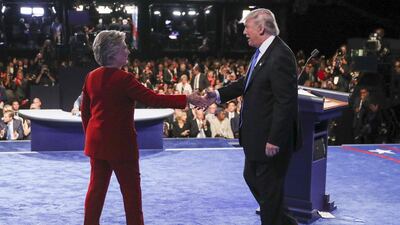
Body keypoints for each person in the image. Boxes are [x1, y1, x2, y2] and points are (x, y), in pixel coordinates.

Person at [81, 30, 204, 225]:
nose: (128, 51)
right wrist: (187, 98)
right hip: (121, 146)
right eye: (124, 47)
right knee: (131, 195)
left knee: (96, 190)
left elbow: (85, 112)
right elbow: (153, 99)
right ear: (113, 52)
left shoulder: (91, 77)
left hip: (97, 144)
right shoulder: (124, 79)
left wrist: (90, 135)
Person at [202, 8, 301, 225]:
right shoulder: (264, 53)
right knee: (254, 180)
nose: (244, 32)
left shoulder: (280, 55)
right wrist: (217, 94)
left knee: (269, 193)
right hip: (256, 138)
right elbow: (246, 84)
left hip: (269, 140)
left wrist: (275, 138)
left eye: (247, 27)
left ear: (260, 28)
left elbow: (285, 103)